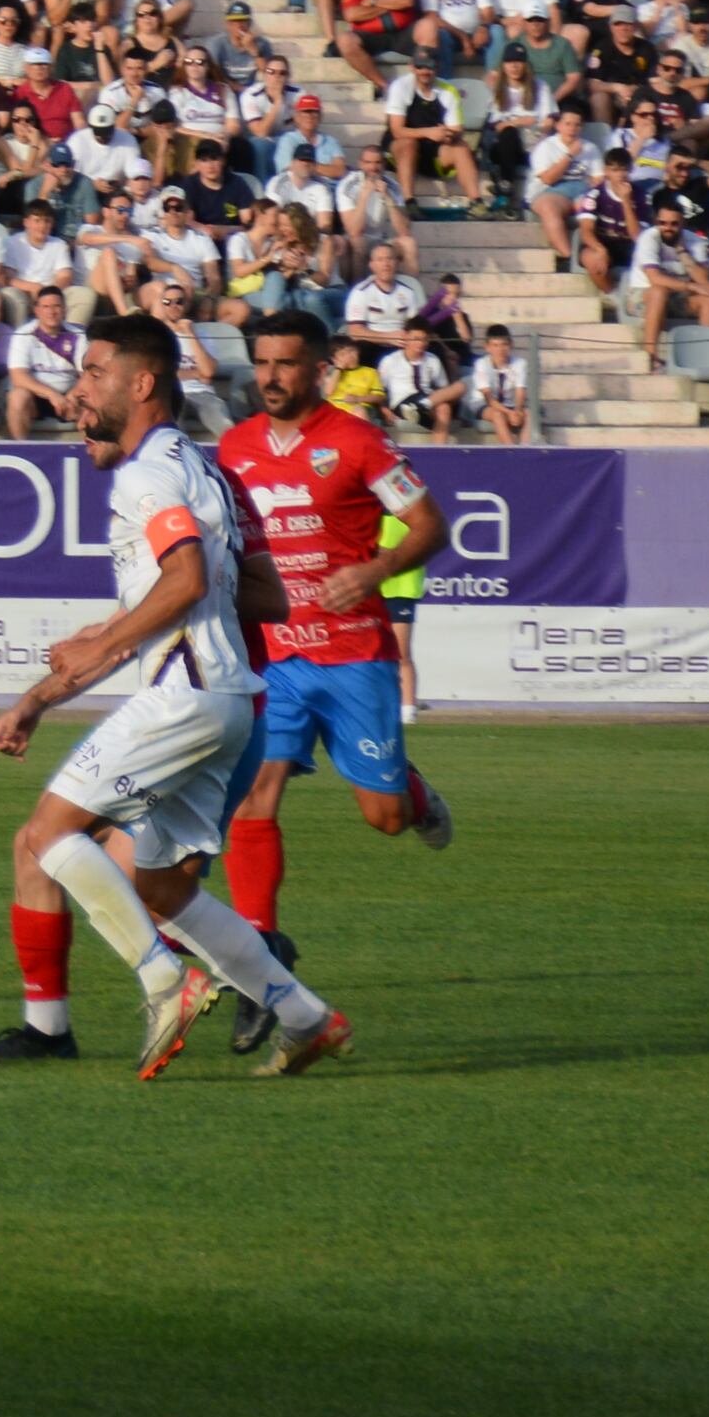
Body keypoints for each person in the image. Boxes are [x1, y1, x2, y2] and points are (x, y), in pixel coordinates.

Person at [0, 310, 351, 1078]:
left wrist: (105, 643)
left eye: (94, 373)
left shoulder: (147, 472)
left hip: (187, 692)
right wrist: (123, 629)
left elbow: (188, 579)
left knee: (46, 837)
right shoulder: (208, 471)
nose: (77, 392)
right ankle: (306, 1016)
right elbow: (263, 596)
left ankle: (164, 978)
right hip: (231, 696)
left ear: (143, 383)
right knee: (163, 885)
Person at [211, 313, 457, 1043]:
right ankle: (260, 957)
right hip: (276, 652)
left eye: (287, 364)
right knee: (256, 794)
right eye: (262, 363)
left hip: (354, 652)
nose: (271, 377)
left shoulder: (358, 441)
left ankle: (409, 788)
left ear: (319, 368)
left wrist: (378, 568)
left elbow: (429, 524)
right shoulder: (234, 446)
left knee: (383, 817)